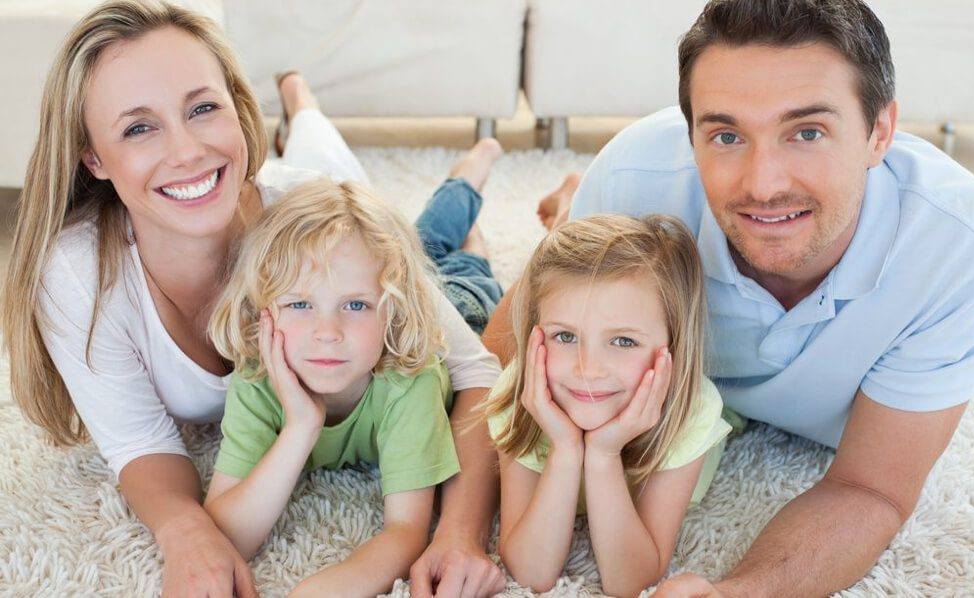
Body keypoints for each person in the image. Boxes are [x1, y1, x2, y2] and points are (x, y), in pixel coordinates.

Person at [489, 0, 974, 595]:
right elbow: (501, 362)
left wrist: (735, 593)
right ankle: (570, 208)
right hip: (624, 213)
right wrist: (454, 534)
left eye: (807, 133)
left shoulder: (961, 250)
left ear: (879, 132)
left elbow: (870, 488)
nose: (764, 185)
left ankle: (568, 204)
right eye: (727, 135)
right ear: (690, 138)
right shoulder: (633, 178)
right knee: (567, 243)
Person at [1, 2, 505, 596]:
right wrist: (187, 532)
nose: (187, 150)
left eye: (204, 108)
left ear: (240, 114)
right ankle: (304, 102)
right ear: (93, 158)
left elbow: (474, 369)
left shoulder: (310, 212)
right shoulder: (77, 274)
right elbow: (139, 444)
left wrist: (461, 534)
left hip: (330, 202)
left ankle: (312, 109)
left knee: (436, 250)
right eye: (138, 127)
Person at [204, 178, 463, 596]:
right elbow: (227, 534)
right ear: (263, 310)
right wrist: (300, 428)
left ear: (392, 311)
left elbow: (407, 530)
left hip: (468, 303)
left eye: (356, 304)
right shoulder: (257, 376)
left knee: (460, 260)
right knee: (434, 240)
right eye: (300, 304)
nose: (327, 332)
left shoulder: (410, 380)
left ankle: (467, 182)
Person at [480, 214, 731, 597]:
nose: (588, 370)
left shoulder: (691, 410)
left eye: (624, 342)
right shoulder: (521, 395)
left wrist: (602, 454)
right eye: (565, 335)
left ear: (673, 349)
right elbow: (530, 573)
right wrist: (565, 449)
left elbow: (631, 581)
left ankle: (569, 201)